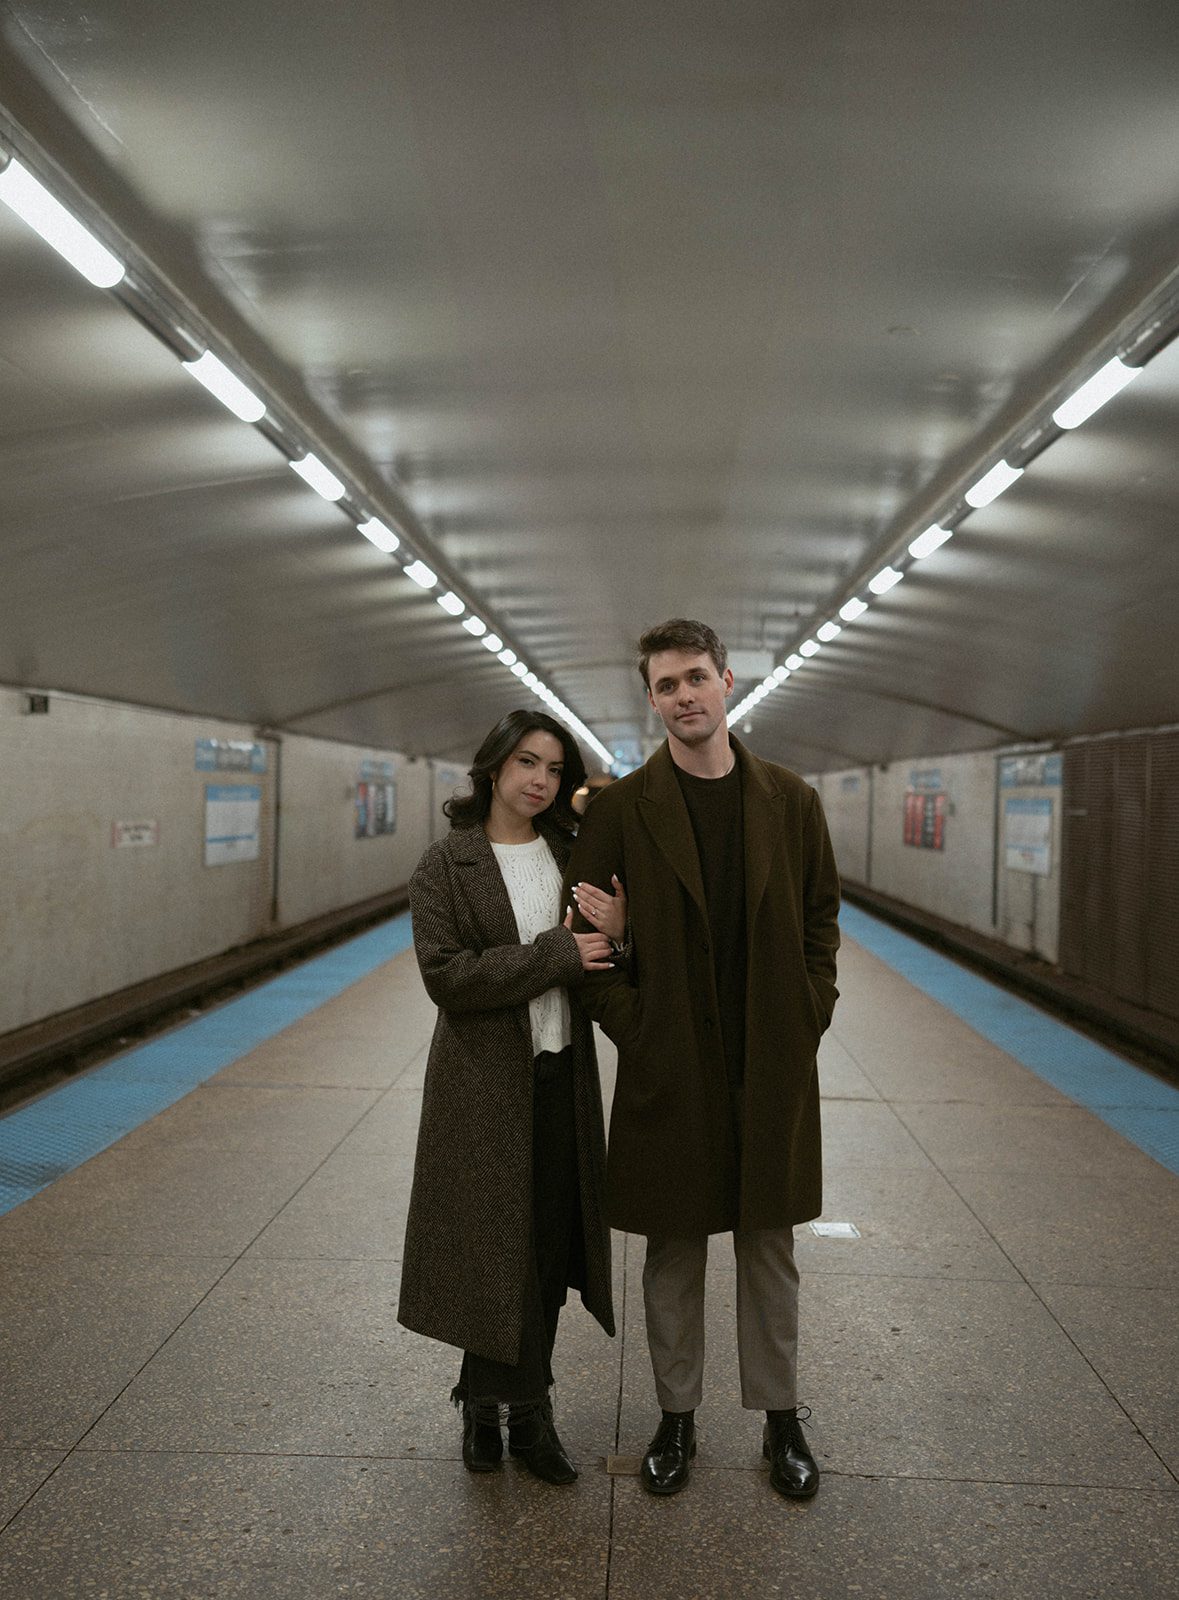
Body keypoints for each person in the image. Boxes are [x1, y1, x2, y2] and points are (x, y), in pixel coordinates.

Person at [565, 618, 840, 1500]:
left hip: (768, 1056)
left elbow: (818, 925)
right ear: (650, 700)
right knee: (673, 1247)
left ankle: (781, 1419)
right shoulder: (619, 811)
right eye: (664, 685)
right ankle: (674, 1419)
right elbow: (582, 946)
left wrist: (807, 1012)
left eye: (695, 678)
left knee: (769, 1243)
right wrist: (636, 1031)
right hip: (671, 1060)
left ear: (727, 681)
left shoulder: (791, 802)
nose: (682, 696)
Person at [398, 709, 623, 1485]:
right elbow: (447, 977)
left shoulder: (570, 854)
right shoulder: (444, 864)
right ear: (493, 767)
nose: (539, 780)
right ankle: (508, 1413)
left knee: (547, 1247)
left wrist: (614, 936)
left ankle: (506, 1405)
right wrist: (553, 953)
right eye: (526, 762)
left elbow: (604, 956)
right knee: (494, 1251)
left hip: (561, 1079)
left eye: (554, 770)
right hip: (483, 1089)